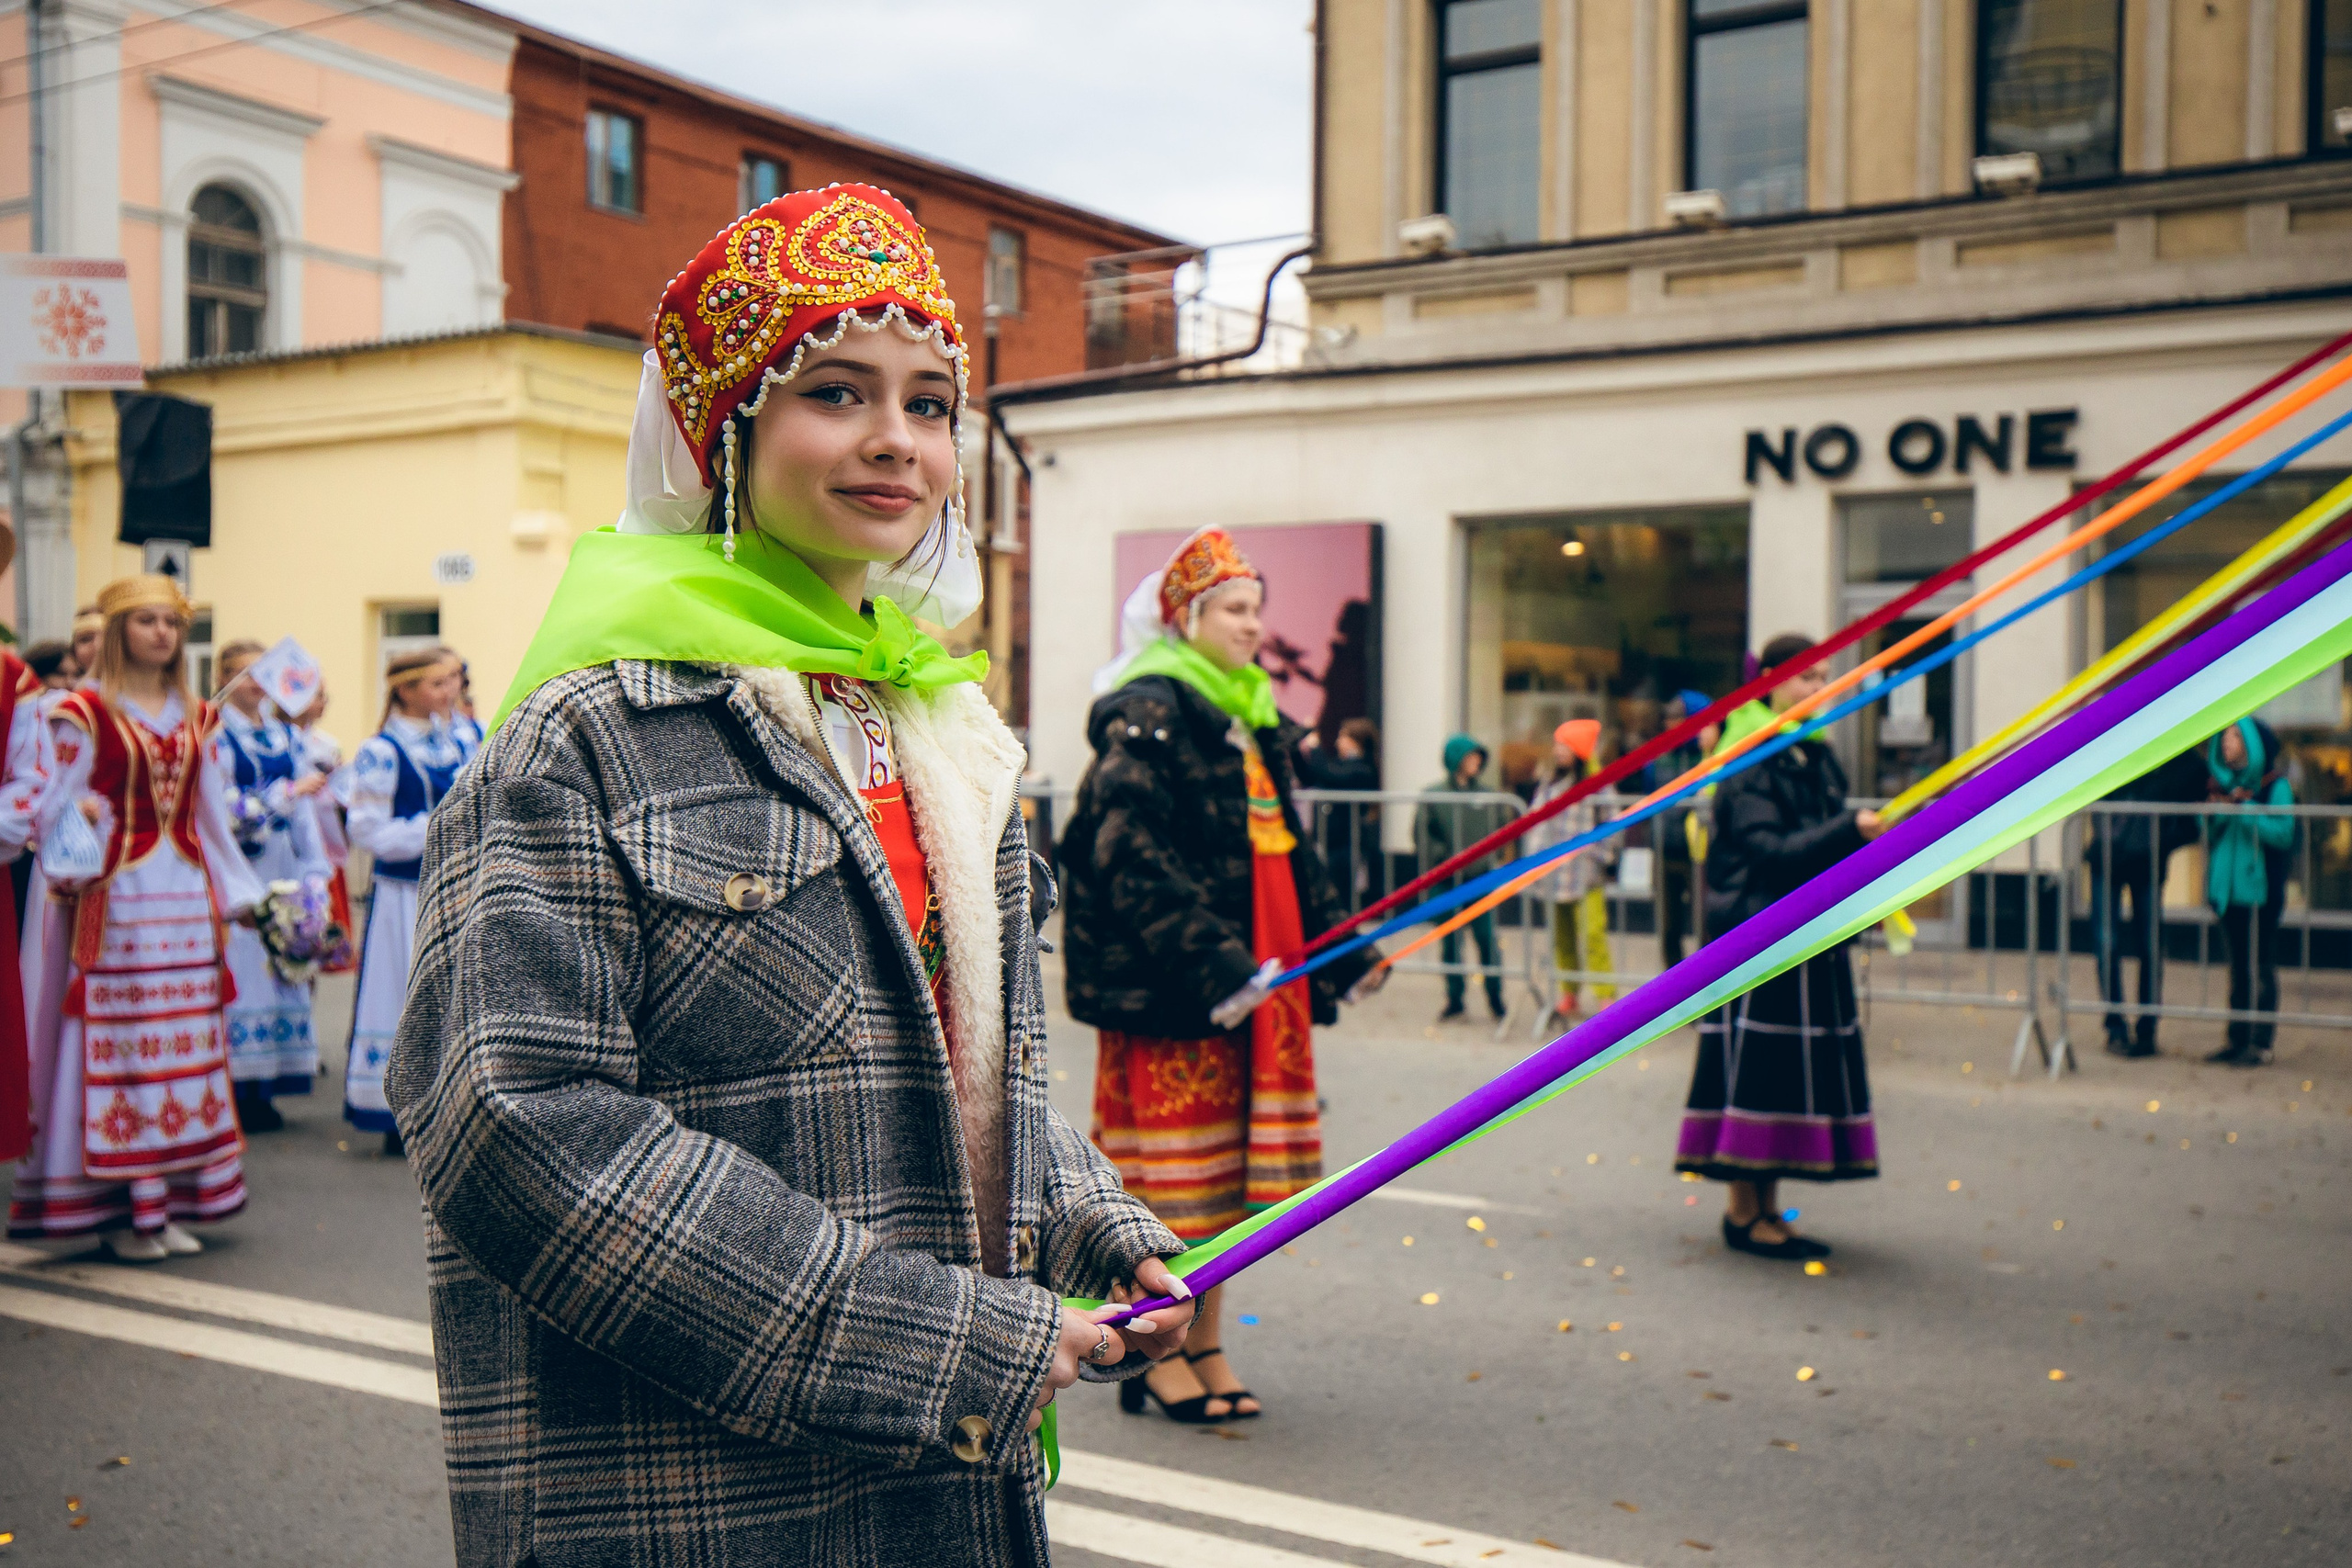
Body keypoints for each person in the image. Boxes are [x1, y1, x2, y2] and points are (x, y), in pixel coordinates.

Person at [385, 185, 1194, 1566]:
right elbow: (514, 1124)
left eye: (932, 403)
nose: (898, 441)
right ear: (723, 431)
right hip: (681, 1491)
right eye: (836, 391)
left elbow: (956, 1062)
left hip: (941, 1480)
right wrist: (932, 1335)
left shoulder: (942, 723)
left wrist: (1084, 1215)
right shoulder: (585, 729)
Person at [1062, 525, 1378, 1426]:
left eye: (1255, 609)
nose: (1252, 626)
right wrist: (1220, 968)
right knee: (1174, 1188)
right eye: (1234, 610)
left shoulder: (1248, 711)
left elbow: (1289, 857)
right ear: (1185, 618)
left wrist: (1340, 961)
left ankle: (1206, 1344)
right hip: (1183, 991)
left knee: (1230, 1192)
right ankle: (1146, 1354)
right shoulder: (1150, 711)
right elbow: (1128, 857)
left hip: (1255, 985)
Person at [6, 575, 262, 1260]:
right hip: (117, 903)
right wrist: (76, 824)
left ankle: (168, 1201)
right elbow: (48, 807)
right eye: (147, 620)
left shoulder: (199, 714)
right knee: (124, 1052)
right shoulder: (81, 711)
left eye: (172, 623)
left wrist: (238, 892)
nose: (162, 633)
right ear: (120, 629)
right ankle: (126, 1208)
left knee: (184, 1053)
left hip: (182, 899)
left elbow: (210, 816)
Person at [1675, 632, 1885, 1260]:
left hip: (1802, 933)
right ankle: (1744, 1211)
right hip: (1756, 934)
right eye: (1805, 679)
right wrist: (1849, 828)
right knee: (1758, 1072)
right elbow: (1769, 853)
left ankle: (1767, 1207)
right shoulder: (1750, 759)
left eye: (1823, 678)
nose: (1818, 690)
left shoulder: (1811, 754)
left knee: (1786, 1075)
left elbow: (1816, 837)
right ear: (1768, 681)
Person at [343, 650, 474, 1156]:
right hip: (404, 896)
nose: (449, 692)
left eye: (453, 681)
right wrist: (441, 824)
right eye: (438, 683)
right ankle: (396, 1109)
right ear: (406, 689)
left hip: (460, 888)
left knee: (456, 995)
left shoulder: (462, 736)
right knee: (402, 994)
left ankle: (453, 1106)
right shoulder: (381, 750)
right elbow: (367, 830)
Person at [209, 639, 331, 1131]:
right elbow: (222, 811)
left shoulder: (285, 737)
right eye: (244, 673)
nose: (256, 683)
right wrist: (284, 795)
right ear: (225, 678)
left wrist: (315, 870)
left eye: (262, 673)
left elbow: (305, 813)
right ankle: (238, 1088)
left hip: (283, 863)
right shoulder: (216, 737)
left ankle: (267, 1084)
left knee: (283, 966)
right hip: (242, 866)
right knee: (247, 967)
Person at [2086, 747, 2205, 1058]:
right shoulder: (2112, 751)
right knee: (2107, 944)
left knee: (2149, 946)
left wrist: (2162, 840)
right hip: (2108, 859)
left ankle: (2147, 1028)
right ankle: (2116, 1027)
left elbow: (2192, 811)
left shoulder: (2172, 758)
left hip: (2146, 862)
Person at [2202, 716, 2295, 1067]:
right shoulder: (2221, 784)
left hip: (2261, 893)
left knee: (2261, 967)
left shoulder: (2275, 787)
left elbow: (2284, 834)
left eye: (2236, 736)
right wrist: (2216, 813)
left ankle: (2261, 1042)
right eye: (2224, 735)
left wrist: (2245, 811)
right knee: (2238, 968)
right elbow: (2209, 833)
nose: (2227, 742)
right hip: (2227, 893)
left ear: (2252, 744)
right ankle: (2237, 1037)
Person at [1416, 734, 1511, 1021]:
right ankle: (1454, 997)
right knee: (1450, 942)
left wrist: (1490, 857)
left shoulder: (1488, 795)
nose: (1475, 763)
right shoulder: (1434, 796)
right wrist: (1443, 856)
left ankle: (1495, 997)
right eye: (1469, 758)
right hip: (1447, 881)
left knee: (1487, 940)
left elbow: (1501, 828)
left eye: (1478, 758)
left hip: (1479, 879)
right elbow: (1422, 835)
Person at [1530, 718, 1613, 1021]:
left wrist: (1601, 858)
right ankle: (1570, 991)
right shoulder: (1549, 780)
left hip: (1585, 871)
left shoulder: (1597, 783)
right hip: (1555, 872)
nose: (1557, 750)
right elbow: (1536, 819)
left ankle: (1605, 994)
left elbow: (1611, 821)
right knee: (1562, 935)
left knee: (1592, 933)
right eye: (1556, 744)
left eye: (1564, 744)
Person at [1657, 688, 1715, 967]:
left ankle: (1703, 979)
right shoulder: (1660, 758)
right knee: (1668, 925)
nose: (1671, 724)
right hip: (1665, 847)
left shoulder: (1707, 758)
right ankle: (1672, 983)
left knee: (1703, 921)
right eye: (1668, 718)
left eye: (1678, 718)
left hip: (1699, 852)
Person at [1297, 715, 1380, 911]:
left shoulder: (1363, 770)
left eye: (1343, 737)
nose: (1337, 742)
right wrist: (1296, 749)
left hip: (1346, 846)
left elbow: (1328, 774)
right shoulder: (1339, 764)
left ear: (1356, 742)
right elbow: (1311, 775)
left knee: (1342, 898)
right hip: (1326, 843)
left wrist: (1315, 745)